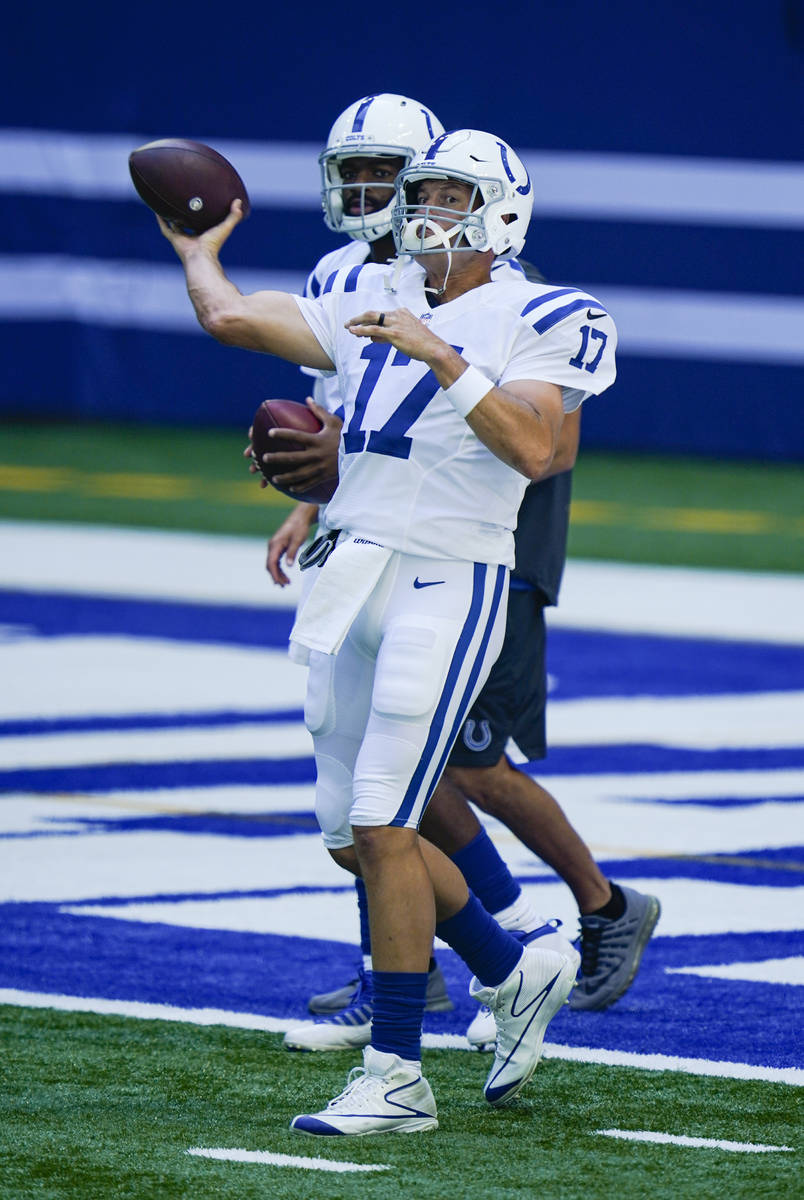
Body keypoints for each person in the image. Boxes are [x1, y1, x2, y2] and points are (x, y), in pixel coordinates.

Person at [158, 125, 617, 1136]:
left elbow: (539, 447)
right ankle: (514, 971)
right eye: (425, 194)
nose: (426, 211)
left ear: (500, 211)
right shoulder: (380, 289)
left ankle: (397, 1076)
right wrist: (197, 250)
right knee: (350, 839)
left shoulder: (549, 311)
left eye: (451, 197)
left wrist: (444, 358)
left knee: (384, 820)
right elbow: (235, 318)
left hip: (448, 579)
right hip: (350, 574)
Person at [255, 98, 659, 1053]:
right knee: (379, 774)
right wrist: (319, 498)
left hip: (480, 556)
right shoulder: (362, 279)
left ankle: (582, 916)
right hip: (386, 542)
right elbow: (360, 418)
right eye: (362, 175)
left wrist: (418, 412)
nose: (381, 196)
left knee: (459, 764)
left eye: (393, 177)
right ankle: (412, 973)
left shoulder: (510, 292)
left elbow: (541, 450)